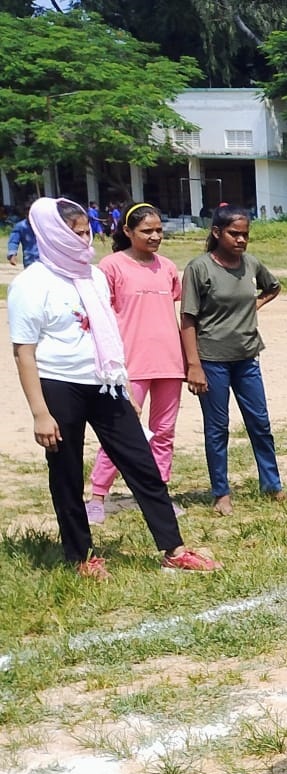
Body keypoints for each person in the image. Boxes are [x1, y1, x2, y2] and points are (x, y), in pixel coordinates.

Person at [9, 198, 219, 579]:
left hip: (106, 385)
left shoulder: (94, 277)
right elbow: (23, 353)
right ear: (53, 235)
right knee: (67, 473)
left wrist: (122, 384)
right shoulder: (31, 284)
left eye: (86, 232)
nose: (83, 240)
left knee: (143, 465)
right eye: (74, 234)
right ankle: (81, 556)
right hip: (60, 386)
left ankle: (173, 549)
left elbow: (109, 333)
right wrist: (41, 413)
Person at [181, 204, 287, 516]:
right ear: (217, 232)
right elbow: (188, 320)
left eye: (245, 234)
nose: (241, 240)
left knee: (260, 423)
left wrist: (253, 307)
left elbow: (272, 287)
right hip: (211, 359)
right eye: (234, 234)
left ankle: (272, 486)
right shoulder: (199, 268)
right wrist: (193, 365)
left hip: (247, 356)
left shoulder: (251, 264)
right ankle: (221, 493)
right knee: (217, 427)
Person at [86, 204, 186, 523]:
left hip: (169, 362)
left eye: (159, 230)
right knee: (121, 432)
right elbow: (100, 317)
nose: (155, 236)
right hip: (129, 366)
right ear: (128, 231)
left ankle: (158, 495)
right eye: (147, 231)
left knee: (164, 432)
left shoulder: (168, 267)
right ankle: (97, 496)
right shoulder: (111, 266)